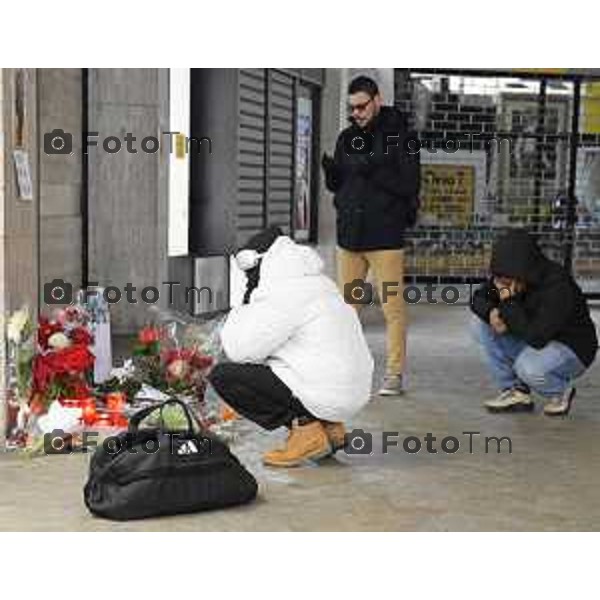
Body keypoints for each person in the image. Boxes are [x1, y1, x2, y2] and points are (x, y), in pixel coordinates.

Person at [208, 226, 374, 467]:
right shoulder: (317, 283)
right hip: (352, 391)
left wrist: (242, 303)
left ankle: (307, 430)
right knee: (281, 363)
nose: (247, 277)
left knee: (226, 376)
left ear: (261, 262)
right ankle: (329, 428)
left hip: (329, 393)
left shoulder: (282, 292)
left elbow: (240, 350)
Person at [321, 75, 420, 396]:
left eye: (362, 106)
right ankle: (343, 372)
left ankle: (394, 375)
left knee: (392, 308)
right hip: (350, 238)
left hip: (385, 238)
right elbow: (339, 186)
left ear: (377, 100)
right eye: (352, 108)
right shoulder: (346, 137)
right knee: (347, 309)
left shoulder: (401, 137)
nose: (357, 113)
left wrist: (371, 167)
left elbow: (410, 185)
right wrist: (332, 174)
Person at [471, 228, 598, 416]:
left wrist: (507, 300)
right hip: (536, 338)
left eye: (506, 283)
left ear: (523, 274)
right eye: (500, 281)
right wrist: (490, 313)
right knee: (481, 324)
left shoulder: (557, 286)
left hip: (571, 348)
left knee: (528, 367)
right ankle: (515, 391)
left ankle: (561, 391)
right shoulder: (507, 278)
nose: (501, 286)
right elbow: (479, 298)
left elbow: (536, 337)